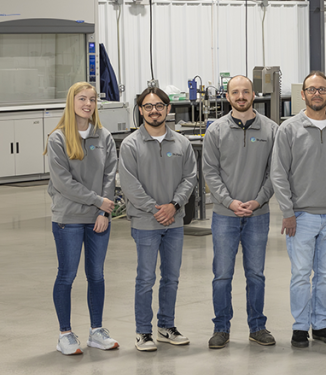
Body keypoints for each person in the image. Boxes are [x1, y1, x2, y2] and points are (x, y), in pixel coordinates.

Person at [271, 71, 326, 348]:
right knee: (300, 274)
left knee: (324, 274)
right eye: (312, 89)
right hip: (301, 216)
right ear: (303, 94)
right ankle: (299, 327)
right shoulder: (289, 129)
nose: (317, 94)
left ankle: (320, 324)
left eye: (322, 89)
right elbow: (278, 174)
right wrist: (287, 212)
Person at [119, 86, 198, 352]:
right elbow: (130, 185)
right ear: (140, 110)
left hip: (174, 221)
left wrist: (174, 206)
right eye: (148, 107)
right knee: (145, 278)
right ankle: (143, 332)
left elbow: (190, 178)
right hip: (146, 223)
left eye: (159, 106)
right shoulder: (131, 145)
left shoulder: (182, 143)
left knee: (172, 277)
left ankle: (166, 326)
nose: (154, 111)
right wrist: (156, 209)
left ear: (168, 109)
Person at [203, 75, 278, 350]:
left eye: (245, 91)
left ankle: (257, 327)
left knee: (256, 274)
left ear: (254, 94)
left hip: (258, 215)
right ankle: (221, 328)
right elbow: (209, 171)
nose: (241, 96)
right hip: (225, 215)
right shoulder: (216, 131)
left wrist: (258, 201)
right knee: (222, 274)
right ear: (228, 97)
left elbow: (276, 172)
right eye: (235, 92)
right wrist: (230, 202)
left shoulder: (271, 130)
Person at [46, 82, 119, 355]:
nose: (88, 104)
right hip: (68, 218)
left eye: (92, 99)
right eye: (82, 99)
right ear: (71, 101)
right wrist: (98, 201)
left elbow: (110, 176)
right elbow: (63, 182)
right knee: (67, 275)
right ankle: (65, 334)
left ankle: (96, 331)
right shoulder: (58, 139)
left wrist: (103, 211)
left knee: (96, 276)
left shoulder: (104, 137)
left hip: (98, 218)